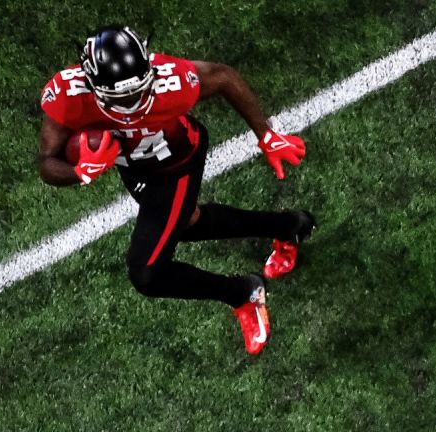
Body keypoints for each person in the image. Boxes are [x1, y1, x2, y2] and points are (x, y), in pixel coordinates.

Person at [36, 25, 316, 354]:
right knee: (185, 224)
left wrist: (266, 135)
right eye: (119, 96)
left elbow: (224, 77)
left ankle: (243, 291)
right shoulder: (70, 95)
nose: (131, 102)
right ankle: (290, 226)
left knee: (147, 273)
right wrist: (79, 172)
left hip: (177, 164)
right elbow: (46, 164)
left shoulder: (173, 81)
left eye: (138, 90)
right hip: (135, 167)